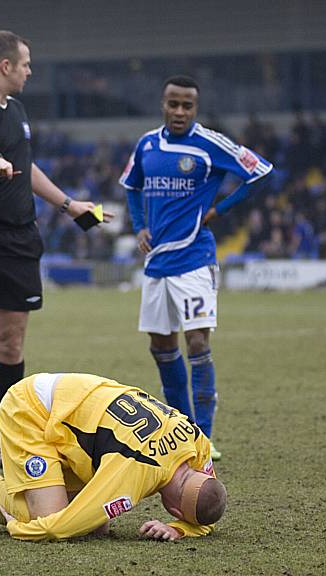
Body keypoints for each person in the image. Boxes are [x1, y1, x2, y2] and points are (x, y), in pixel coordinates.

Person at [0, 30, 112, 473]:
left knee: (11, 343)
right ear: (5, 66)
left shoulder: (17, 111)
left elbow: (28, 169)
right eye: (25, 64)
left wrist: (69, 205)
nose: (29, 71)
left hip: (20, 241)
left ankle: (3, 443)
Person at [120, 75, 273, 460]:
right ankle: (182, 430)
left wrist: (220, 210)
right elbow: (131, 186)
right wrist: (139, 226)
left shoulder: (210, 144)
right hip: (157, 263)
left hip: (194, 259)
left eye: (187, 105)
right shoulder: (146, 144)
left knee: (198, 343)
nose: (179, 111)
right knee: (161, 346)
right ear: (163, 104)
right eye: (173, 104)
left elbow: (259, 172)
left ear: (196, 108)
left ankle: (202, 438)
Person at [0, 372, 227, 541]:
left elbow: (206, 505)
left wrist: (178, 527)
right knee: (48, 517)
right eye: (176, 515)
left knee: (97, 528)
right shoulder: (136, 472)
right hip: (31, 409)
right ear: (173, 507)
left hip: (70, 410)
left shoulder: (196, 441)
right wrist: (18, 527)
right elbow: (58, 527)